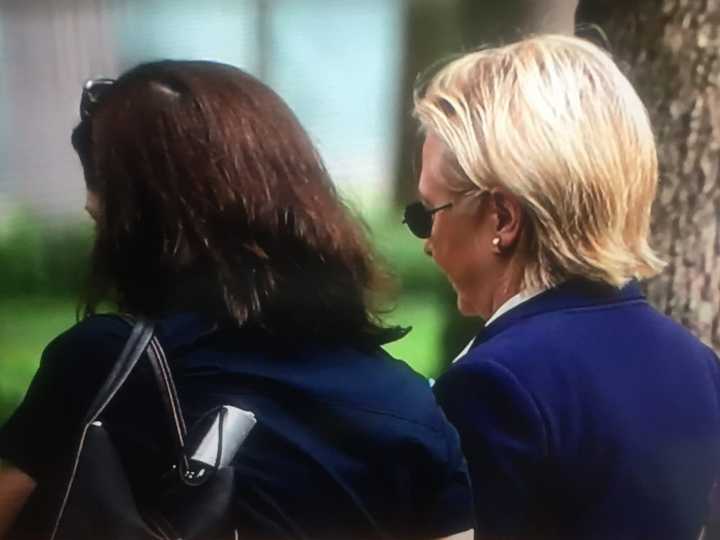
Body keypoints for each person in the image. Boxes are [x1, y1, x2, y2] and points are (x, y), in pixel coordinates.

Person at [0, 60, 475, 540]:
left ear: (148, 217)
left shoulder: (108, 365)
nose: (93, 214)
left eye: (106, 207)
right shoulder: (412, 406)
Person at [404, 34, 720, 539]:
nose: (426, 241)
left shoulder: (496, 384)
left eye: (428, 213)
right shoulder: (696, 364)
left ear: (502, 218)